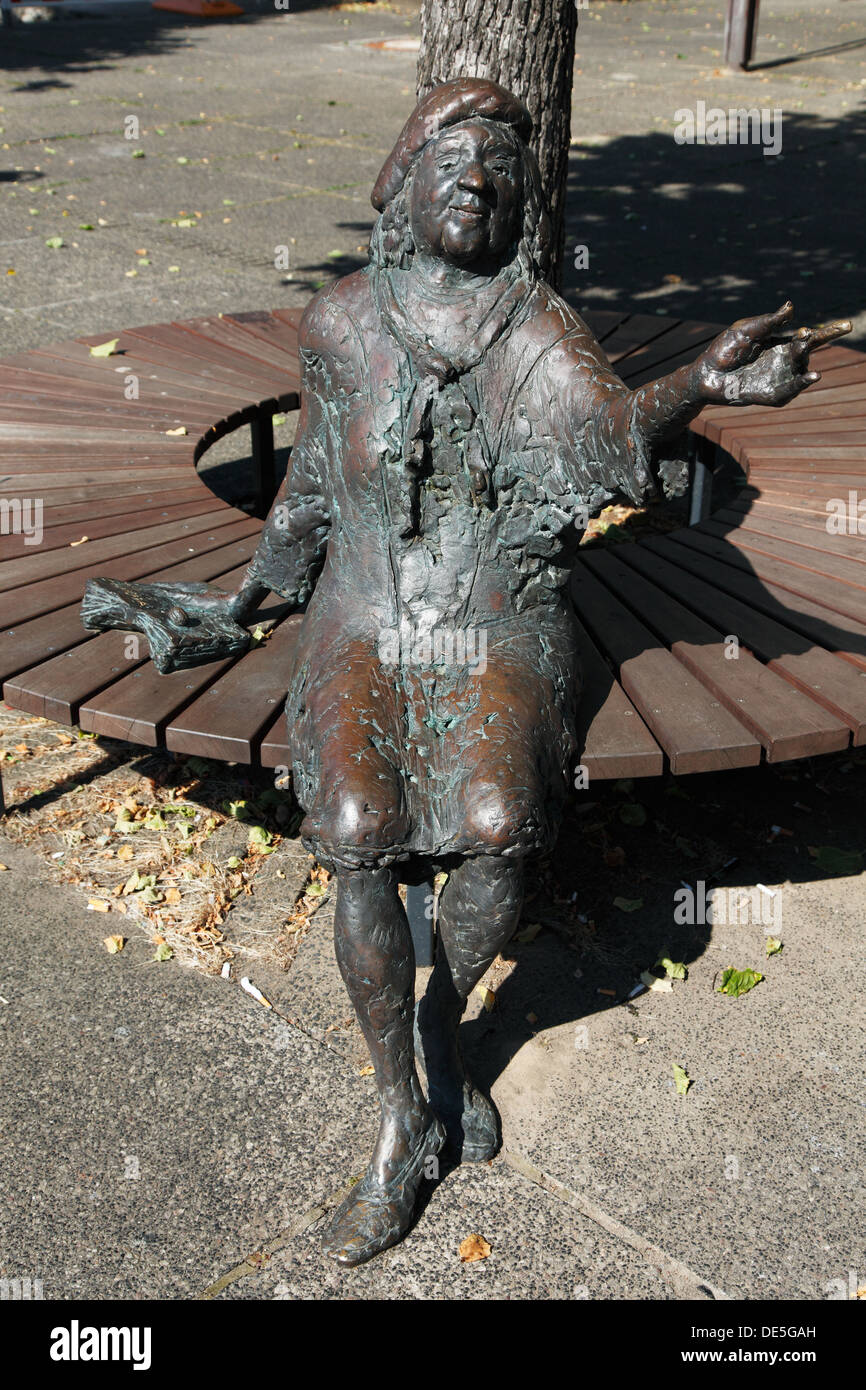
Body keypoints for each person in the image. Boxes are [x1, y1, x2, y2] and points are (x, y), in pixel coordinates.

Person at [87, 78, 849, 1267]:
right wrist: (246, 599)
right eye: (452, 161)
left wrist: (701, 382)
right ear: (401, 187)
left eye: (497, 166)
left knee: (498, 823)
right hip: (362, 612)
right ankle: (402, 1113)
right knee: (354, 820)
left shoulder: (532, 322)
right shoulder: (341, 321)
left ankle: (438, 1023)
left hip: (499, 607)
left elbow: (600, 434)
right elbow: (307, 491)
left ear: (516, 205)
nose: (476, 180)